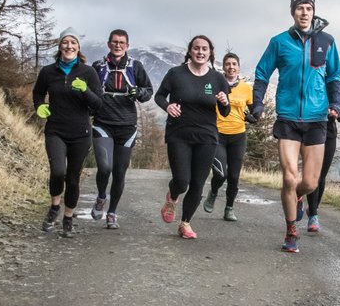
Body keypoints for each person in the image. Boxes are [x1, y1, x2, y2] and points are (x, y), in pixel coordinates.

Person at [252, 0, 340, 253]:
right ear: (293, 12)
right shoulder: (279, 42)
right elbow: (261, 73)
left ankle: (300, 197)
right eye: (299, 8)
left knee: (310, 183)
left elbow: (334, 76)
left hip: (317, 119)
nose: (304, 13)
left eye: (308, 8)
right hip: (288, 118)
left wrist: (336, 104)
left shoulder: (327, 41)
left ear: (314, 11)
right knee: (290, 179)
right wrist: (258, 103)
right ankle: (291, 231)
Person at [154, 35, 231, 239]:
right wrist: (167, 106)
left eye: (204, 49)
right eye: (196, 48)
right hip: (179, 134)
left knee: (198, 182)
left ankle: (185, 223)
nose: (200, 52)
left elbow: (225, 112)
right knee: (182, 180)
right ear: (190, 51)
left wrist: (224, 102)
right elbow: (160, 96)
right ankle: (172, 196)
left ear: (210, 52)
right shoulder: (176, 73)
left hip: (206, 136)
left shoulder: (217, 78)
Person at [32, 27, 104, 238]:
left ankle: (68, 218)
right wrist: (39, 106)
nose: (69, 46)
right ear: (60, 46)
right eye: (65, 42)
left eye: (73, 43)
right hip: (55, 129)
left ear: (78, 47)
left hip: (80, 133)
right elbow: (38, 92)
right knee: (57, 172)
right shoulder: (48, 71)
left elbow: (98, 104)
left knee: (72, 178)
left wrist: (85, 90)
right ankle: (55, 206)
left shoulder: (88, 72)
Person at [89, 29, 153, 229]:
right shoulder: (98, 66)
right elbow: (89, 93)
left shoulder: (136, 66)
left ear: (127, 45)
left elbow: (148, 92)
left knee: (119, 172)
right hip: (102, 122)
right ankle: (101, 196)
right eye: (115, 42)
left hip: (127, 126)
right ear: (109, 44)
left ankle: (112, 212)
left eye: (122, 42)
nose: (118, 45)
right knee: (105, 167)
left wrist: (139, 91)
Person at [203, 52, 255, 222]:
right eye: (227, 64)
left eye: (234, 64)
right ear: (223, 67)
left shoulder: (247, 88)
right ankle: (213, 192)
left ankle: (229, 208)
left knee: (234, 176)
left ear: (238, 67)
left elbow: (255, 109)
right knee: (220, 173)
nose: (231, 67)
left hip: (238, 136)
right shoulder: (216, 84)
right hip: (217, 134)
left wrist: (253, 116)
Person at [304, 81, 340, 232]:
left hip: (329, 133)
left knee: (321, 175)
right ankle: (313, 215)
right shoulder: (310, 77)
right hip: (309, 130)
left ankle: (313, 209)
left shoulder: (337, 82)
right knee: (313, 174)